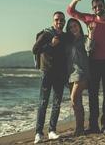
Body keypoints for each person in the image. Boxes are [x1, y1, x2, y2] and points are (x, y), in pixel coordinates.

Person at [67, 0, 105, 133]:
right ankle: (93, 125)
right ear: (93, 8)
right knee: (93, 95)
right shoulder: (89, 19)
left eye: (100, 5)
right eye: (95, 6)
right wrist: (76, 0)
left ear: (104, 6)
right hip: (93, 63)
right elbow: (71, 12)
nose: (98, 8)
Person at [32, 11, 68, 144]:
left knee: (57, 103)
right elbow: (35, 49)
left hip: (60, 74)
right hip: (47, 72)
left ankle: (52, 131)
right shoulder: (46, 34)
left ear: (64, 22)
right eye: (57, 20)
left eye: (62, 20)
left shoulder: (65, 36)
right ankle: (38, 133)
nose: (59, 22)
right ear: (53, 21)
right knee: (43, 103)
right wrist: (50, 45)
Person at [65, 18, 95, 136]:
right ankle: (80, 128)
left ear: (79, 26)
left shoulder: (84, 39)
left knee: (73, 99)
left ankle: (79, 128)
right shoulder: (68, 42)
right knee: (77, 102)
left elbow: (89, 47)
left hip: (81, 74)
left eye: (75, 26)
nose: (73, 28)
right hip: (70, 75)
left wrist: (91, 33)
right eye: (71, 27)